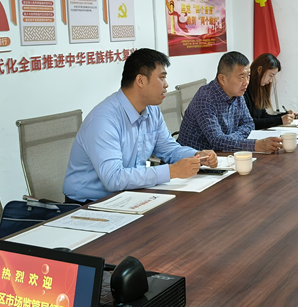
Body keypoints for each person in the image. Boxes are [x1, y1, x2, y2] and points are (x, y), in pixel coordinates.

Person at [63, 48, 218, 204]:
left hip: (131, 195)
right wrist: (171, 171)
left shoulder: (152, 111)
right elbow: (113, 179)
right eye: (162, 78)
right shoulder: (104, 120)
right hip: (89, 204)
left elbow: (169, 149)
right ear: (141, 81)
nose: (166, 85)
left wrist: (196, 156)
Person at [177, 51, 283, 153]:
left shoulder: (237, 94)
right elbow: (217, 141)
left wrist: (228, 139)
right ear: (222, 79)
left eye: (248, 76)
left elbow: (249, 124)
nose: (246, 82)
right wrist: (256, 145)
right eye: (241, 77)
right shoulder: (205, 98)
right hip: (193, 159)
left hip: (223, 155)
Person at [244, 53, 296, 130]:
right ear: (260, 70)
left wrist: (285, 115)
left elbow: (264, 116)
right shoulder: (243, 91)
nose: (271, 80)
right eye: (270, 75)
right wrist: (280, 120)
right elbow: (250, 123)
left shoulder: (259, 89)